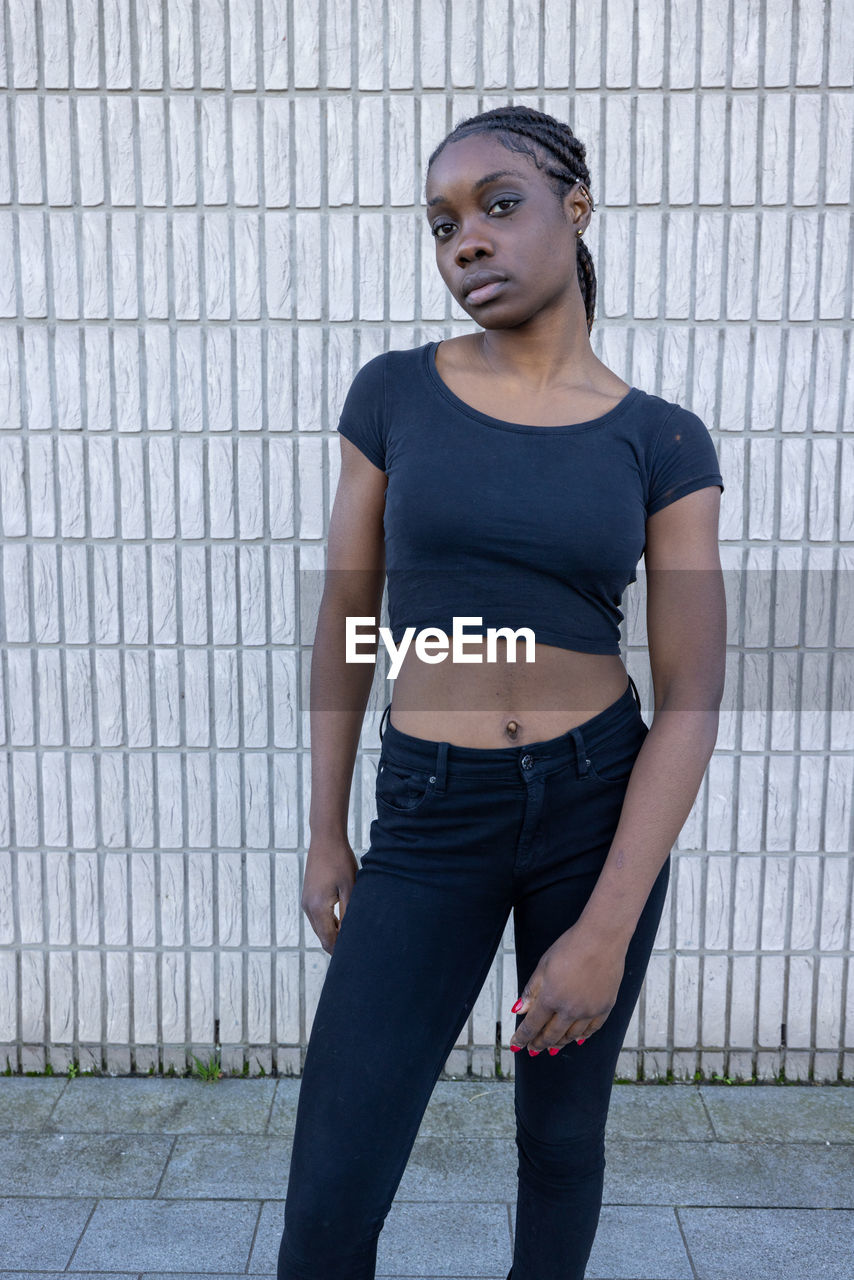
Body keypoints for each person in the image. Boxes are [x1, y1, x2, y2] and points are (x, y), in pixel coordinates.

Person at [277, 105, 726, 1280]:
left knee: (560, 1141)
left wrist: (609, 922)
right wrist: (326, 829)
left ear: (574, 211)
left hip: (595, 807)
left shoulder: (661, 440)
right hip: (429, 811)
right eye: (441, 223)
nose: (464, 239)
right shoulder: (393, 396)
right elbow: (346, 620)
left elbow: (689, 690)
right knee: (334, 1176)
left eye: (497, 204)